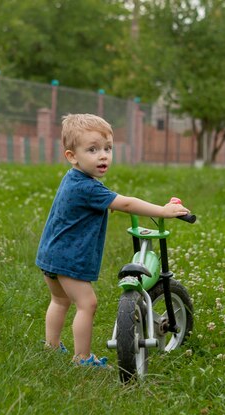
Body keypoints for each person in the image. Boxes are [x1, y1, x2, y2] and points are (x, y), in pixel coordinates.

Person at [36, 113, 190, 367]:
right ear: (72, 156)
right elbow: (127, 203)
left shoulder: (73, 179)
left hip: (50, 254)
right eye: (93, 149)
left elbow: (81, 207)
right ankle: (83, 357)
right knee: (87, 303)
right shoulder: (89, 187)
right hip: (68, 258)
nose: (103, 155)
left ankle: (51, 346)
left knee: (59, 300)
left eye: (107, 148)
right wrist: (163, 211)